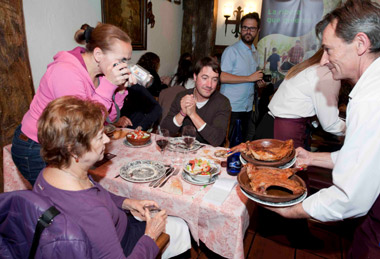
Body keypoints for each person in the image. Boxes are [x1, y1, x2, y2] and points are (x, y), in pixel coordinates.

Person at [265, 1, 380, 257]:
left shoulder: (371, 99)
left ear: (361, 44)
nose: (324, 59)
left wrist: (292, 210)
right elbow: (364, 159)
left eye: (329, 49)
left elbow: (350, 197)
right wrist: (313, 157)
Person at [34, 96, 191, 258]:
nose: (107, 139)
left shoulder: (49, 174)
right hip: (125, 243)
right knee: (180, 227)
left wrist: (126, 202)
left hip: (108, 233)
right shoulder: (92, 211)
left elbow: (96, 193)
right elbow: (94, 209)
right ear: (73, 149)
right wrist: (150, 236)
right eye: (99, 136)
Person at [11, 23, 136, 186]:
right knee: (55, 203)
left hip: (65, 144)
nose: (124, 66)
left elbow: (107, 118)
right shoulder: (65, 72)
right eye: (121, 60)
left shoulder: (101, 75)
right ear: (98, 54)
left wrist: (119, 90)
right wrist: (109, 86)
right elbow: (82, 125)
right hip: (35, 147)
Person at [260, 48, 346, 149]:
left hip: (268, 124)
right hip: (285, 131)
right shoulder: (328, 73)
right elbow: (330, 124)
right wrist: (355, 128)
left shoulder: (310, 67)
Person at [161, 57, 231, 147]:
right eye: (205, 78)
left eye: (214, 79)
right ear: (195, 77)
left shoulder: (222, 102)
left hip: (209, 156)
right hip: (185, 152)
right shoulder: (182, 96)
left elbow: (217, 140)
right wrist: (182, 113)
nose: (209, 85)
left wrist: (193, 115)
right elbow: (164, 131)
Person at [220, 12, 265, 142]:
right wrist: (249, 78)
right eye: (245, 28)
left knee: (244, 145)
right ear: (241, 29)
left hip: (248, 107)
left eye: (252, 28)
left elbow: (252, 79)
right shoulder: (231, 51)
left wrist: (258, 83)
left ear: (258, 30)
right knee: (229, 145)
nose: (248, 31)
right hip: (232, 107)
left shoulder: (255, 52)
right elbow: (222, 77)